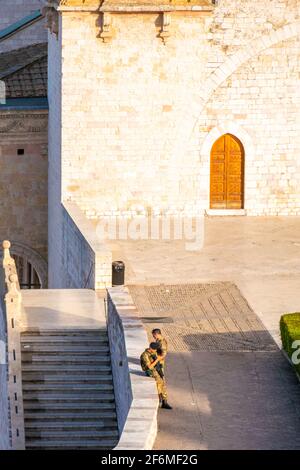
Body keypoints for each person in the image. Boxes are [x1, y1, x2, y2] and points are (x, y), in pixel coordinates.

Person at [140, 342, 172, 410]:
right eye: (155, 350)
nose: (156, 351)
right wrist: (157, 360)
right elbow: (149, 367)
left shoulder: (153, 352)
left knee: (163, 381)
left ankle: (164, 401)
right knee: (159, 381)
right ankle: (160, 399)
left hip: (155, 369)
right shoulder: (145, 355)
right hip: (149, 371)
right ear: (151, 349)